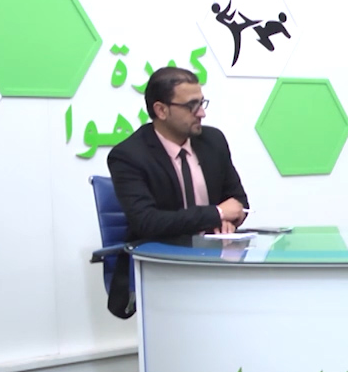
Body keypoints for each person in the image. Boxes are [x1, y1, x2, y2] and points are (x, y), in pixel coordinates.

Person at [105, 66, 249, 317]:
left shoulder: (213, 141)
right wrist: (216, 214)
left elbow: (237, 201)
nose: (202, 113)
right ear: (161, 110)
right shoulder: (129, 156)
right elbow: (147, 222)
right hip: (162, 266)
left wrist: (228, 220)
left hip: (216, 260)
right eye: (192, 106)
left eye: (201, 103)